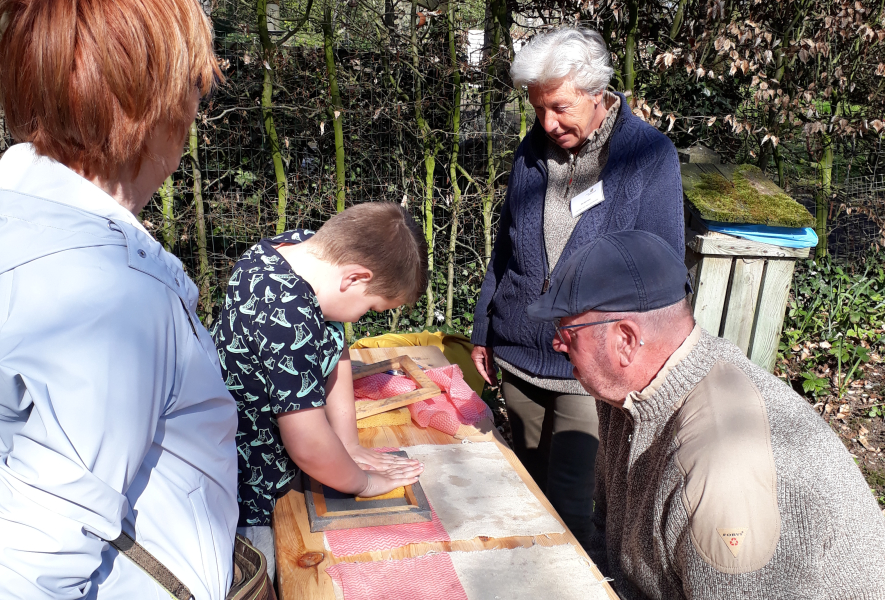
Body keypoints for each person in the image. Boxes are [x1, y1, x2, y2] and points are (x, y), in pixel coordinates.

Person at [0, 0, 259, 598]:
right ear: (150, 102)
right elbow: (27, 568)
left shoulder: (8, 216)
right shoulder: (112, 296)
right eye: (193, 84)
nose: (196, 108)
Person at [527, 230, 885, 599]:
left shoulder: (725, 471)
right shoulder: (623, 396)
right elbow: (606, 533)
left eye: (567, 330)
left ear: (626, 340)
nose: (556, 343)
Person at [470, 27, 684, 547]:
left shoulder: (647, 156)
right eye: (537, 108)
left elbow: (662, 269)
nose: (547, 122)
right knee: (522, 491)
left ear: (597, 93)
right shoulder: (531, 151)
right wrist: (483, 328)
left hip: (588, 368)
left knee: (570, 508)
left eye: (560, 107)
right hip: (519, 354)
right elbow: (506, 246)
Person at [211, 203, 428, 575]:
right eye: (370, 308)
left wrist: (348, 443)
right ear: (354, 278)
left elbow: (334, 340)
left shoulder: (297, 251)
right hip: (246, 488)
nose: (362, 317)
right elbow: (309, 443)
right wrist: (365, 483)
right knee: (267, 576)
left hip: (266, 463)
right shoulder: (286, 313)